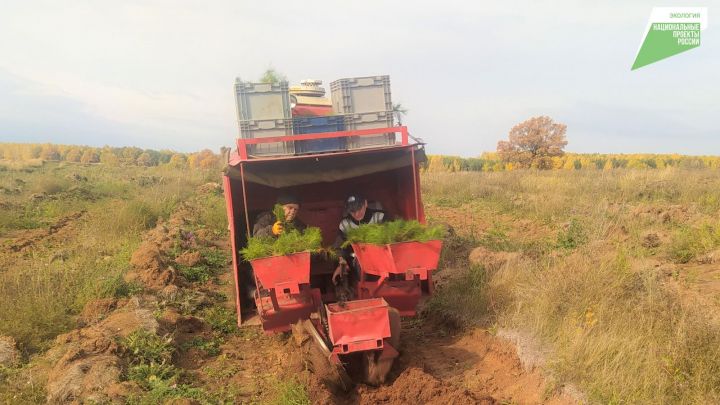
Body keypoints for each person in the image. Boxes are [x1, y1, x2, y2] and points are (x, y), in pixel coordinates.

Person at [332, 194, 388, 283]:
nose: (356, 214)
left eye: (359, 209)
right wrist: (342, 263)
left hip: (382, 261)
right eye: (352, 211)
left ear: (365, 203)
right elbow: (339, 246)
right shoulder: (345, 224)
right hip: (357, 264)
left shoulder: (380, 217)